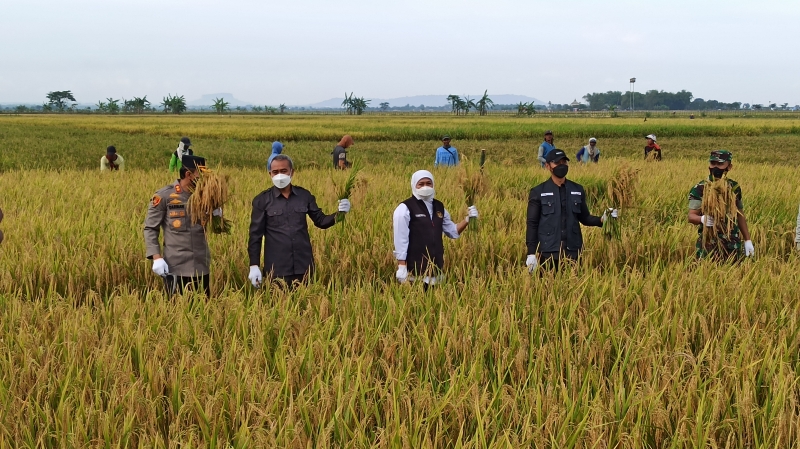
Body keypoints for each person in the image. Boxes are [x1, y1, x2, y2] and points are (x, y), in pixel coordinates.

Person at [248, 154, 351, 288]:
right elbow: (255, 236)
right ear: (270, 174)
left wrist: (340, 213)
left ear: (292, 172)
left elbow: (321, 221)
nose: (279, 175)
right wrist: (254, 265)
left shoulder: (304, 196)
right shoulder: (262, 200)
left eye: (283, 171)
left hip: (304, 267)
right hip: (277, 269)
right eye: (275, 172)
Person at [526, 150, 616, 271]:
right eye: (557, 163)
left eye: (564, 162)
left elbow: (585, 218)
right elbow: (532, 224)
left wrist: (603, 219)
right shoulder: (538, 192)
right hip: (548, 253)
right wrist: (531, 253)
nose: (562, 166)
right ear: (548, 166)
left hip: (573, 252)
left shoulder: (577, 189)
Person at [393, 170, 478, 287]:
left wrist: (467, 219)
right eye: (421, 184)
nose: (425, 187)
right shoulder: (405, 208)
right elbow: (400, 239)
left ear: (433, 185)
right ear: (414, 185)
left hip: (436, 269)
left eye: (428, 183)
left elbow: (453, 232)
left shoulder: (439, 207)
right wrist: (402, 266)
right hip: (415, 270)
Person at [144, 155, 214, 296]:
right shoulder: (165, 196)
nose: (205, 180)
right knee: (176, 312)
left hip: (201, 266)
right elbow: (150, 228)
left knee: (204, 311)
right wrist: (156, 257)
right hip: (176, 267)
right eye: (201, 175)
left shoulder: (205, 196)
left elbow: (216, 229)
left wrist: (216, 214)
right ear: (188, 175)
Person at [687, 150, 754, 261]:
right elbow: (691, 216)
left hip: (732, 244)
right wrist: (702, 219)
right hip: (708, 244)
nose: (715, 167)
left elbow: (740, 214)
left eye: (720, 164)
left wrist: (747, 240)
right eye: (713, 163)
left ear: (729, 166)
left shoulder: (734, 187)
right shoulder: (700, 188)